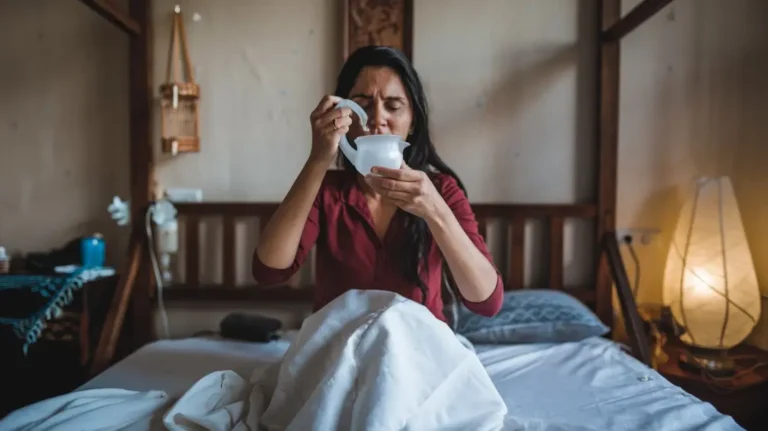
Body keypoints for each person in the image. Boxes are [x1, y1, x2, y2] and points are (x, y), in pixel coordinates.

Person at [252, 45, 503, 322]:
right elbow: (269, 271)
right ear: (343, 115)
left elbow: (486, 302)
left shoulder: (441, 191)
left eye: (393, 106)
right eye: (362, 105)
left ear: (413, 122)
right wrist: (318, 159)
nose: (377, 119)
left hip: (416, 350)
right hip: (340, 348)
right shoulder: (326, 190)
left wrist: (435, 210)